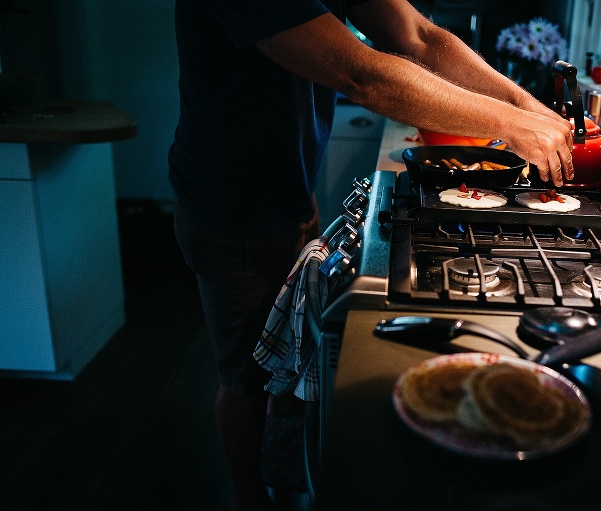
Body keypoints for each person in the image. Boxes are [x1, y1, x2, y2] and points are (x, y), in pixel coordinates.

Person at [168, 1, 575, 509]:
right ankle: (250, 498)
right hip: (233, 208)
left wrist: (529, 109)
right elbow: (361, 74)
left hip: (289, 191)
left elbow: (421, 37)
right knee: (246, 375)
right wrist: (512, 124)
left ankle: (280, 452)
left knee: (278, 347)